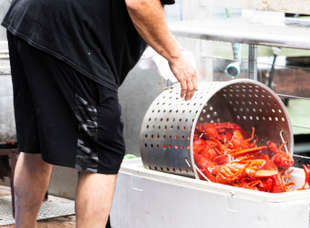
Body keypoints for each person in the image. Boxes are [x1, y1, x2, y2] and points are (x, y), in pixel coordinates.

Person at [2, 0, 198, 227]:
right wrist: (175, 56)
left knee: (34, 145)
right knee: (103, 153)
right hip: (71, 32)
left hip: (28, 16)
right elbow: (140, 2)